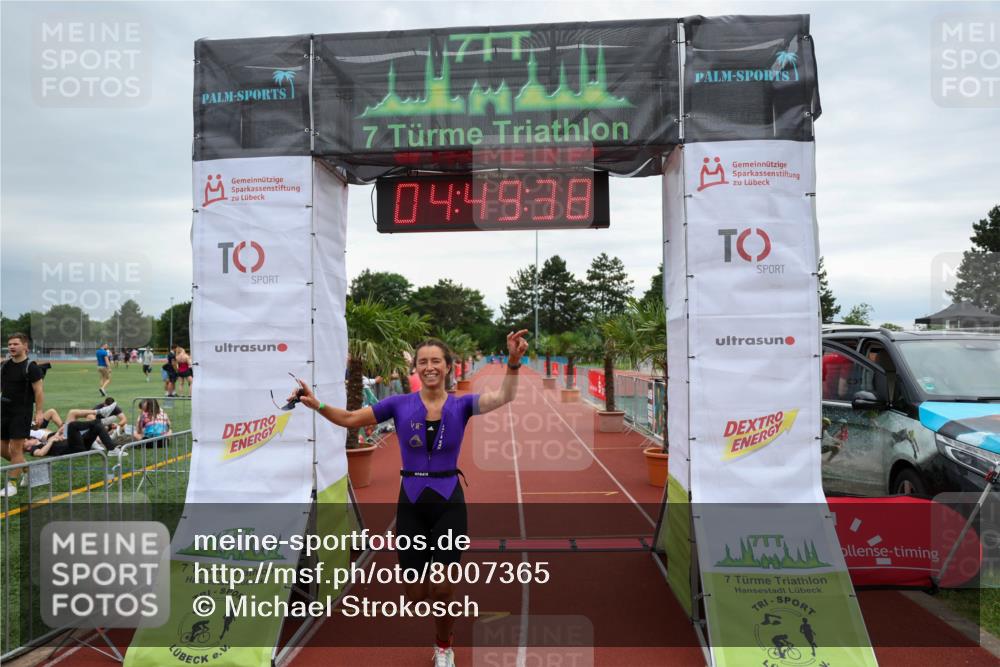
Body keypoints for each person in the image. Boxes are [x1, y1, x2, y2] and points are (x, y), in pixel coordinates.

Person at [295, 330, 529, 667]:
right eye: (423, 362)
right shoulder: (398, 405)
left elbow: (504, 396)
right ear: (416, 369)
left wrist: (514, 363)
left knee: (443, 587)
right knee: (417, 595)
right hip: (412, 504)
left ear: (448, 367)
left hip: (448, 500)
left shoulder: (462, 404)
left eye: (436, 361)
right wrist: (315, 402)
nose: (430, 366)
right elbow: (348, 419)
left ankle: (444, 645)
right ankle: (431, 607)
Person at [1, 333, 45, 497]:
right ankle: (27, 469)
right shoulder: (4, 366)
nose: (11, 347)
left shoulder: (31, 367)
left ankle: (12, 485)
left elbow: (39, 391)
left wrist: (39, 412)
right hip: (4, 410)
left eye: (15, 344)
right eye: (10, 344)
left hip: (22, 413)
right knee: (2, 448)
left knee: (16, 448)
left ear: (25, 346)